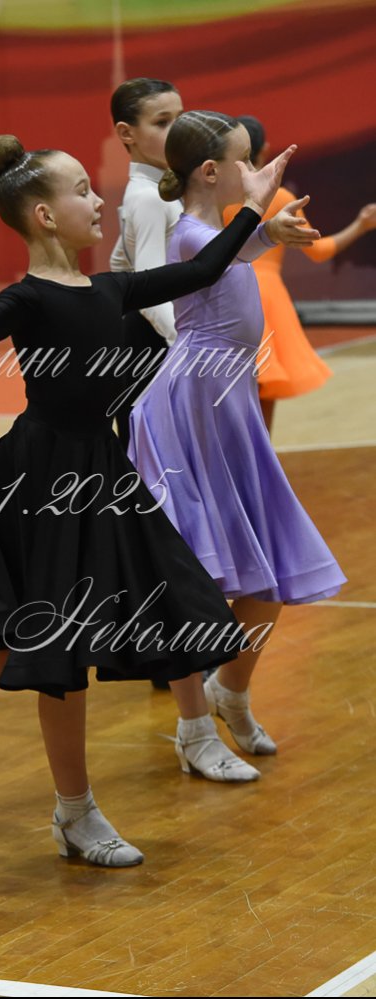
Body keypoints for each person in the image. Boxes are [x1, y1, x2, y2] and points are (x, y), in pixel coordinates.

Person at [0, 131, 297, 874]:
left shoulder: (110, 290)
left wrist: (252, 211)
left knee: (33, 648)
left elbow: (203, 268)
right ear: (43, 215)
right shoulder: (29, 298)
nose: (100, 200)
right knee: (23, 648)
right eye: (81, 191)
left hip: (101, 476)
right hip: (38, 482)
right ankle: (45, 807)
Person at [127, 111, 347, 782]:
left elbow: (226, 256)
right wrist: (258, 216)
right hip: (190, 408)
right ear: (210, 172)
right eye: (245, 161)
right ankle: (194, 728)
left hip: (229, 406)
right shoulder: (189, 232)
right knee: (193, 575)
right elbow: (211, 257)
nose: (254, 172)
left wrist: (266, 230)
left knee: (268, 569)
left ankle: (232, 690)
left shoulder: (212, 232)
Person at [225, 115, 376, 431]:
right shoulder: (280, 197)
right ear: (264, 150)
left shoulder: (220, 197)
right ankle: (261, 460)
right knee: (265, 391)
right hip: (268, 301)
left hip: (225, 296)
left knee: (225, 391)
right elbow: (319, 251)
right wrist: (360, 225)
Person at [109, 78, 184, 448]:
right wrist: (187, 346)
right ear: (127, 133)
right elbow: (150, 294)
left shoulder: (159, 191)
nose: (178, 132)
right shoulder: (150, 197)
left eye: (180, 119)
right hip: (152, 344)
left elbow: (120, 262)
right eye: (162, 122)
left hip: (149, 337)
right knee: (153, 464)